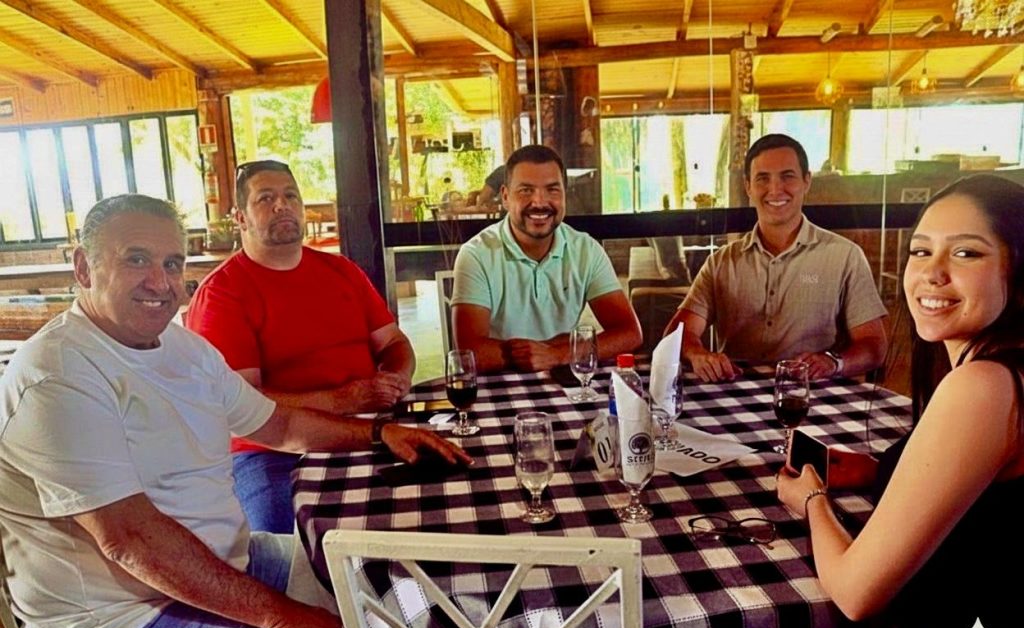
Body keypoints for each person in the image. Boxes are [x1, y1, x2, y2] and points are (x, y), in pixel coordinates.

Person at [0, 194, 470, 628]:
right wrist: (280, 615)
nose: (160, 282)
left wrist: (378, 432)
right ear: (83, 267)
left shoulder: (185, 349)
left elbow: (279, 426)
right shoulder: (57, 375)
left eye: (172, 263)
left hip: (227, 559)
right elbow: (131, 539)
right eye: (136, 259)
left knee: (390, 586)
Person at [777, 175, 1024, 628]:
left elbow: (855, 593)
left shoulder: (984, 385)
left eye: (966, 253)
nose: (932, 273)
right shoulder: (1008, 369)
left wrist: (811, 501)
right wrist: (880, 470)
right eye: (920, 251)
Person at [186, 159, 416, 534]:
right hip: (272, 453)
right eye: (265, 198)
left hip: (370, 428)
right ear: (240, 218)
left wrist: (395, 377)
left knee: (428, 504)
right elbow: (242, 402)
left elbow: (393, 342)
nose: (282, 205)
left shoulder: (341, 271)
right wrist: (344, 400)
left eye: (291, 196)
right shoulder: (223, 294)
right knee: (289, 547)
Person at [664, 134, 888, 382]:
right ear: (748, 187)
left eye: (787, 176)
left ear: (806, 181)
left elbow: (874, 345)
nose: (775, 189)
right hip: (738, 391)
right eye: (762, 178)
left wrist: (834, 362)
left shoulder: (845, 257)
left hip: (814, 395)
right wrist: (697, 354)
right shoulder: (721, 263)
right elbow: (678, 333)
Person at [452, 145, 642, 373]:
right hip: (497, 383)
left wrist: (556, 354)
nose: (539, 202)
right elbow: (471, 353)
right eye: (526, 190)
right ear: (505, 196)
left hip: (562, 377)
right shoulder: (476, 254)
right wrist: (556, 349)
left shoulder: (586, 250)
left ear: (564, 195)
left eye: (552, 190)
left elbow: (630, 333)